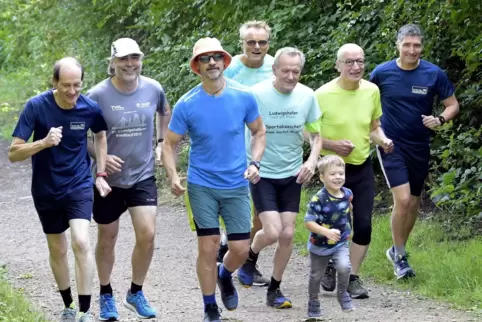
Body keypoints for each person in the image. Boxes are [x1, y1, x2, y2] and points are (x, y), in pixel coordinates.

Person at [162, 37, 266, 322]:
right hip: (201, 185)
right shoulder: (187, 103)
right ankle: (210, 306)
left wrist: (255, 163)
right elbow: (168, 144)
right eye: (204, 59)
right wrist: (173, 175)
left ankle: (225, 275)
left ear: (224, 62)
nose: (211, 63)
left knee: (241, 249)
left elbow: (259, 131)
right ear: (197, 66)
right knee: (207, 247)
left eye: (216, 58)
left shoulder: (243, 96)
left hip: (236, 184)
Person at [8, 57, 110, 322]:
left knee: (81, 241)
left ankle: (85, 312)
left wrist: (100, 171)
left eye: (77, 85)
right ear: (54, 82)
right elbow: (13, 153)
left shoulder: (90, 108)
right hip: (46, 188)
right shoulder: (36, 107)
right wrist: (42, 142)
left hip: (78, 184)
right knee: (58, 249)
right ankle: (67, 304)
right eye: (66, 85)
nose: (72, 91)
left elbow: (100, 134)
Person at [86, 38, 170, 320]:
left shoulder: (153, 88)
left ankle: (135, 292)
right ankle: (106, 294)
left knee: (147, 234)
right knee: (107, 237)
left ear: (141, 60)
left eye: (134, 58)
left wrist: (161, 141)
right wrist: (100, 157)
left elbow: (164, 112)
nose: (130, 64)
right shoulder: (97, 94)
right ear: (113, 62)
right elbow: (80, 134)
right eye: (123, 59)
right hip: (108, 180)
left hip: (142, 175)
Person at [370, 24, 459, 279]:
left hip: (420, 145)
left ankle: (398, 249)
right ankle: (399, 256)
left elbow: (452, 104)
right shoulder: (382, 73)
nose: (412, 50)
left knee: (415, 204)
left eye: (416, 45)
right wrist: (374, 134)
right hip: (390, 144)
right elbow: (364, 100)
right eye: (407, 44)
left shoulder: (433, 73)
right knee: (404, 199)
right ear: (397, 45)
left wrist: (440, 119)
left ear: (422, 47)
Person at [236, 47, 323, 309]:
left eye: (295, 71)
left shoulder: (308, 96)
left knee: (286, 235)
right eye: (285, 70)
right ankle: (250, 258)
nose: (290, 76)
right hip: (262, 172)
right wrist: (248, 162)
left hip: (292, 174)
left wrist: (312, 161)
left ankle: (275, 289)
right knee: (272, 231)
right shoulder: (257, 94)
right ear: (274, 70)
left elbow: (316, 134)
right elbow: (242, 128)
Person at [307, 43, 394, 299]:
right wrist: (333, 145)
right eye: (349, 62)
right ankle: (329, 265)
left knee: (364, 225)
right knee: (333, 224)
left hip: (361, 166)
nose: (356, 67)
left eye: (360, 61)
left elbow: (374, 127)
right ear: (338, 65)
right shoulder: (321, 95)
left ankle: (353, 277)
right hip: (332, 170)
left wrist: (383, 140)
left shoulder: (371, 91)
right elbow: (308, 134)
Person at [217, 20, 274, 286]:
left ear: (268, 44)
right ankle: (230, 243)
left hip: (263, 147)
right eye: (251, 42)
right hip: (231, 147)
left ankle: (248, 261)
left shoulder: (275, 67)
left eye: (262, 42)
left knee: (258, 211)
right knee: (234, 204)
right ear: (242, 43)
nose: (257, 47)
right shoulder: (229, 70)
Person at [304, 155, 355, 319]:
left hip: (340, 242)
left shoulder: (348, 194)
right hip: (319, 244)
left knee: (345, 267)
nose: (338, 177)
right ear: (322, 177)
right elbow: (308, 222)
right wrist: (326, 232)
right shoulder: (318, 199)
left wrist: (348, 228)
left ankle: (342, 294)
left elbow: (348, 209)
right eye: (332, 174)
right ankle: (313, 302)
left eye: (341, 173)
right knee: (316, 276)